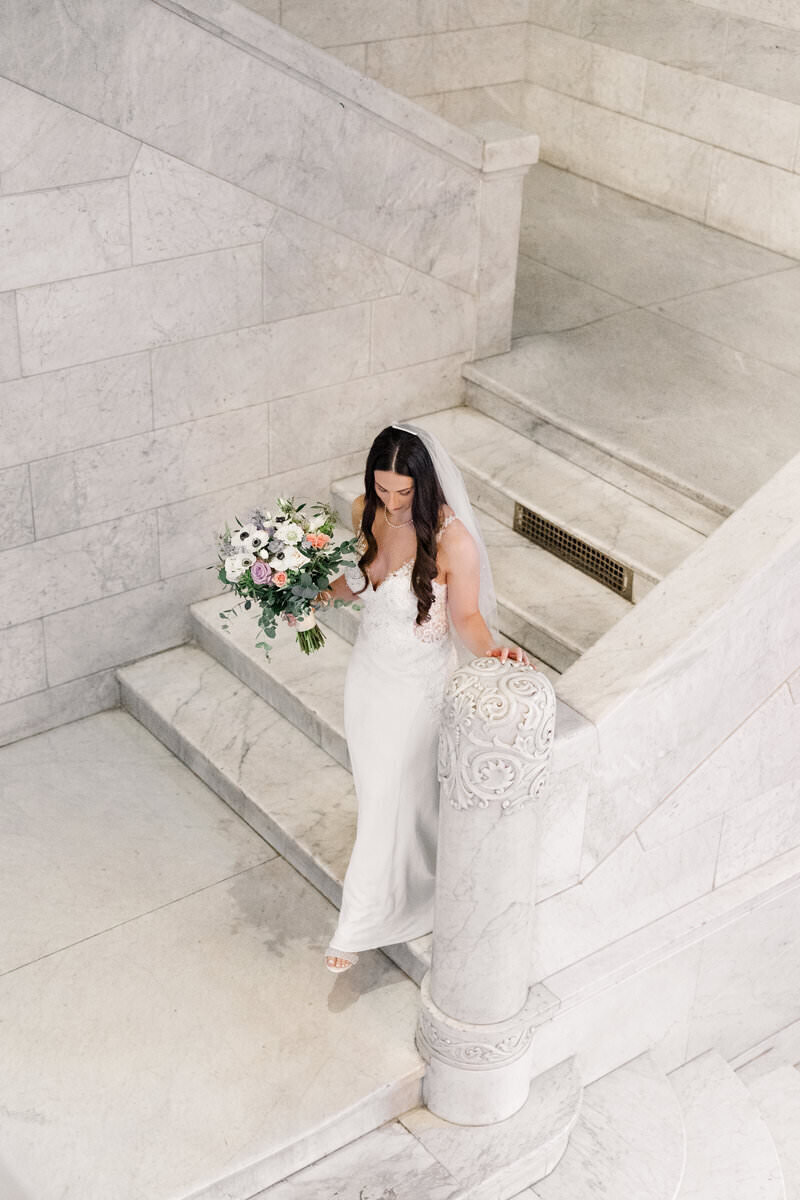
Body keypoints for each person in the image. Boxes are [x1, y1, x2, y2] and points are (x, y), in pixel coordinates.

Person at [314, 421, 531, 973]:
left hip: (416, 687)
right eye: (384, 489)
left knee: (389, 792)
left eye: (403, 493)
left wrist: (495, 653)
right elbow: (364, 579)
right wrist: (314, 595)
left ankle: (358, 923)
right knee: (382, 791)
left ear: (425, 484)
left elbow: (467, 617)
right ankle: (415, 874)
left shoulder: (454, 540)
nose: (391, 502)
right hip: (369, 676)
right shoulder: (369, 509)